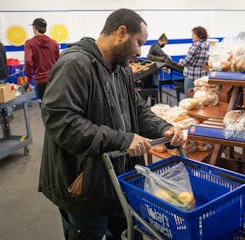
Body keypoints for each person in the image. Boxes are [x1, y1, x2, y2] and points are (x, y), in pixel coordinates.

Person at [39, 8, 184, 240]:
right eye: (138, 42)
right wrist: (123, 140)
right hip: (82, 183)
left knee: (126, 229)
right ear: (121, 32)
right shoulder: (75, 64)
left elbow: (137, 109)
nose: (139, 51)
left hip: (116, 178)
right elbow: (62, 123)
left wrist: (163, 128)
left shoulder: (121, 70)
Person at [24, 18, 59, 101]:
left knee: (43, 106)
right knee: (55, 105)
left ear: (35, 28)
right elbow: (59, 61)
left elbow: (28, 61)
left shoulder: (30, 43)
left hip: (40, 81)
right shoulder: (54, 43)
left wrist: (28, 80)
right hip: (54, 79)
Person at [180, 26, 210, 96]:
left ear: (198, 35)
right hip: (203, 76)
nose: (192, 36)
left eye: (193, 34)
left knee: (189, 98)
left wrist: (182, 62)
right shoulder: (208, 45)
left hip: (192, 76)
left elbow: (187, 61)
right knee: (200, 97)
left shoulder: (195, 46)